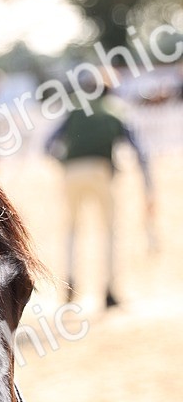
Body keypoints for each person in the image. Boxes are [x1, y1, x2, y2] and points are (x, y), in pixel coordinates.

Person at [45, 85, 154, 307]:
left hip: (71, 173)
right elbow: (139, 151)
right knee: (109, 231)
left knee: (72, 230)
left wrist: (65, 163)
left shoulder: (75, 109)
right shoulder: (114, 110)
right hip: (101, 171)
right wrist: (147, 185)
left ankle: (70, 285)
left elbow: (48, 146)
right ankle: (109, 290)